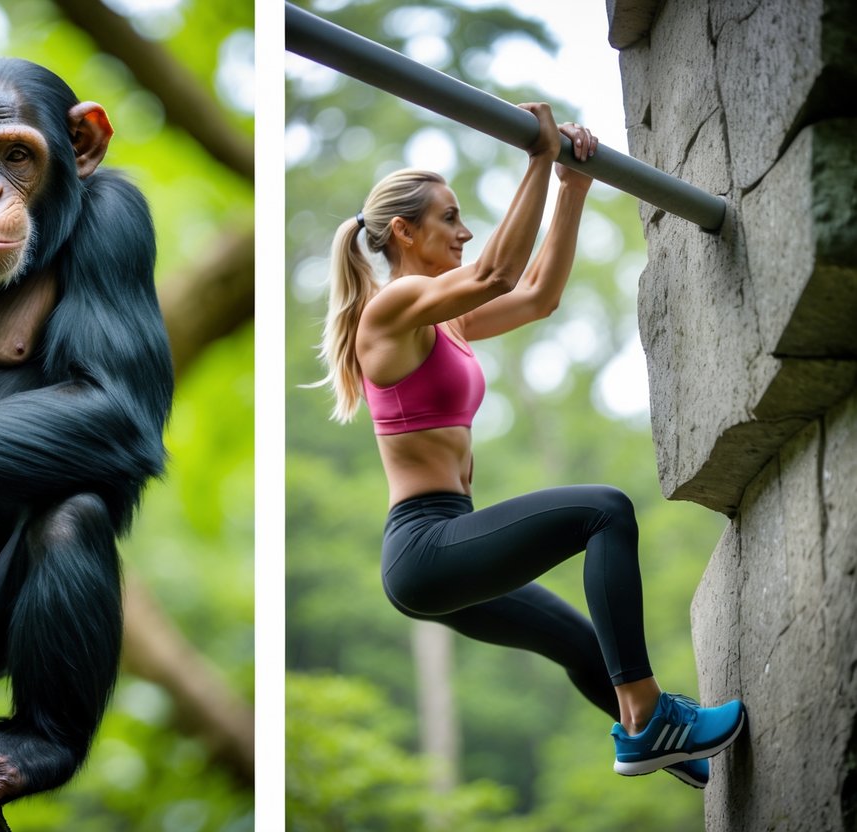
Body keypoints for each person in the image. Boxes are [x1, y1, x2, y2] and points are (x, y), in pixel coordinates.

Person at [310, 103, 745, 788]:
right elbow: (496, 274)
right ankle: (648, 720)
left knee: (583, 643)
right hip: (424, 546)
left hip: (445, 547)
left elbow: (537, 294)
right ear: (404, 232)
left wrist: (571, 187)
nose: (465, 231)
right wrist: (539, 157)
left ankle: (667, 751)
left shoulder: (443, 322)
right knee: (604, 511)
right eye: (450, 218)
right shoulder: (390, 308)